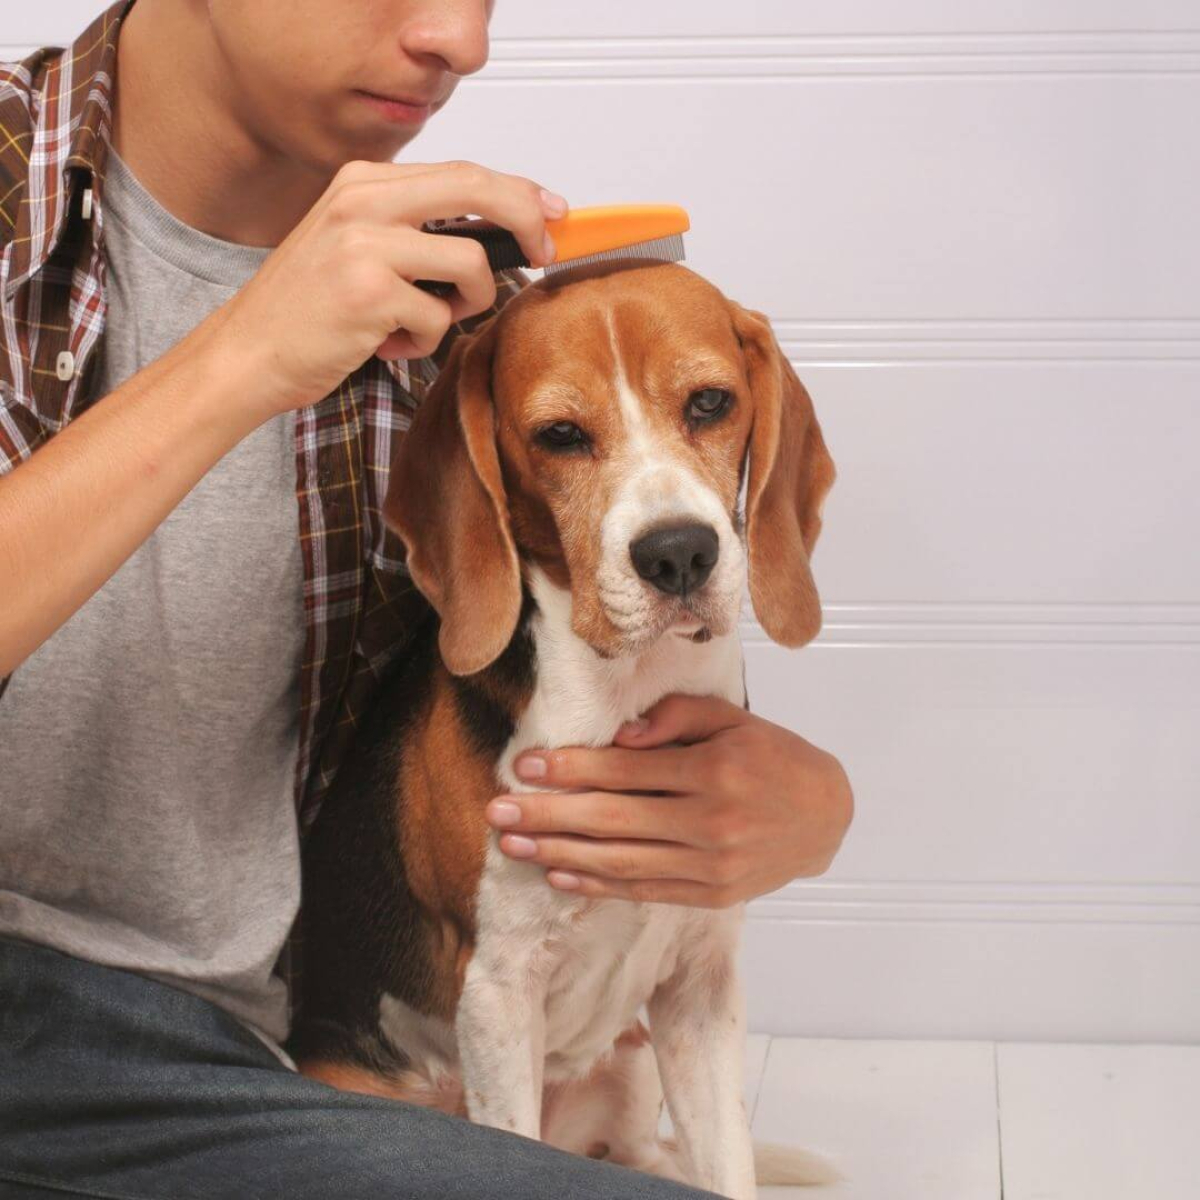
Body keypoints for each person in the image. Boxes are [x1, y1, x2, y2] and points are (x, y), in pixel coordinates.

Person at [0, 1, 855, 1195]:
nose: (462, 38)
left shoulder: (462, 324)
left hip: (272, 1072)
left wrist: (812, 813)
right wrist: (243, 358)